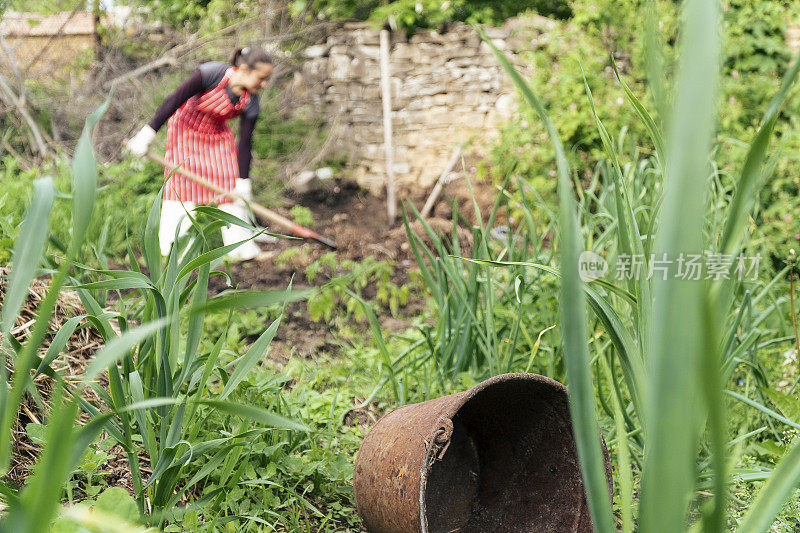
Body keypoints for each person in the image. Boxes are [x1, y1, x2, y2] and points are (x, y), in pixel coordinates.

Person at [126, 46, 274, 260]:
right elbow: (173, 101)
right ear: (244, 69)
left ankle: (241, 250)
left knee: (231, 189)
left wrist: (243, 181)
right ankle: (174, 250)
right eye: (262, 78)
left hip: (216, 136)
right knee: (181, 188)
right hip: (185, 130)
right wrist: (147, 133)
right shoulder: (212, 73)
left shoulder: (251, 101)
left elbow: (245, 143)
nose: (264, 84)